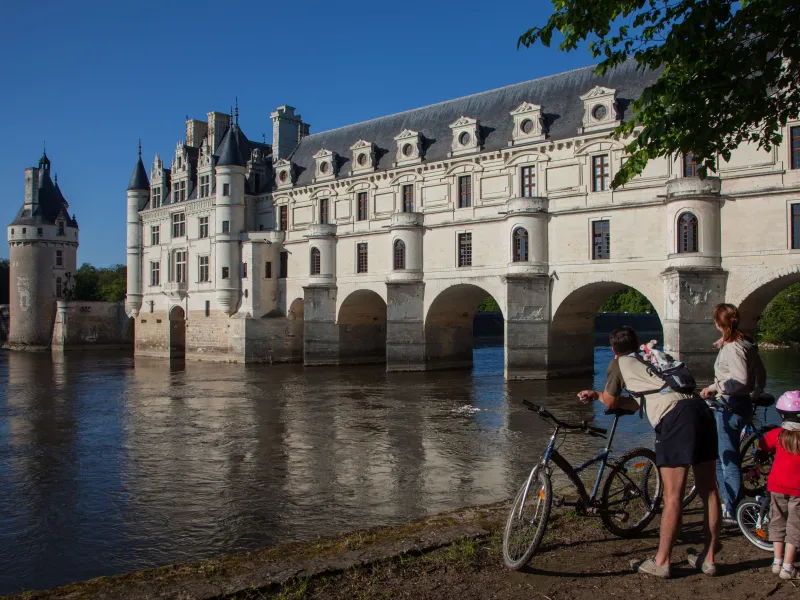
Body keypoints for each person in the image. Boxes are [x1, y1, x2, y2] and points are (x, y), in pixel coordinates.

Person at [579, 326, 721, 579]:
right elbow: (640, 401)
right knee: (709, 489)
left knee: (673, 495)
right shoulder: (651, 356)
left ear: (613, 350)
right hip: (700, 410)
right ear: (637, 343)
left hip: (675, 419)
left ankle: (662, 561)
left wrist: (599, 395)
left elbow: (611, 402)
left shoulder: (618, 363)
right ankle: (708, 559)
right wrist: (603, 396)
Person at [699, 303, 767, 523]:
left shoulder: (733, 347)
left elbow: (740, 379)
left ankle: (734, 508)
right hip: (742, 403)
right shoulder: (745, 343)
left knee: (727, 459)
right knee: (723, 455)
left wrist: (715, 388)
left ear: (718, 323)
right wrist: (754, 393)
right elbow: (759, 374)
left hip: (730, 406)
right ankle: (729, 501)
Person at [758, 390, 800, 580]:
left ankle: (776, 561)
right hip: (798, 488)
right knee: (795, 525)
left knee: (777, 520)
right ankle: (788, 566)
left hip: (776, 485)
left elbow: (762, 447)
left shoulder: (777, 434)